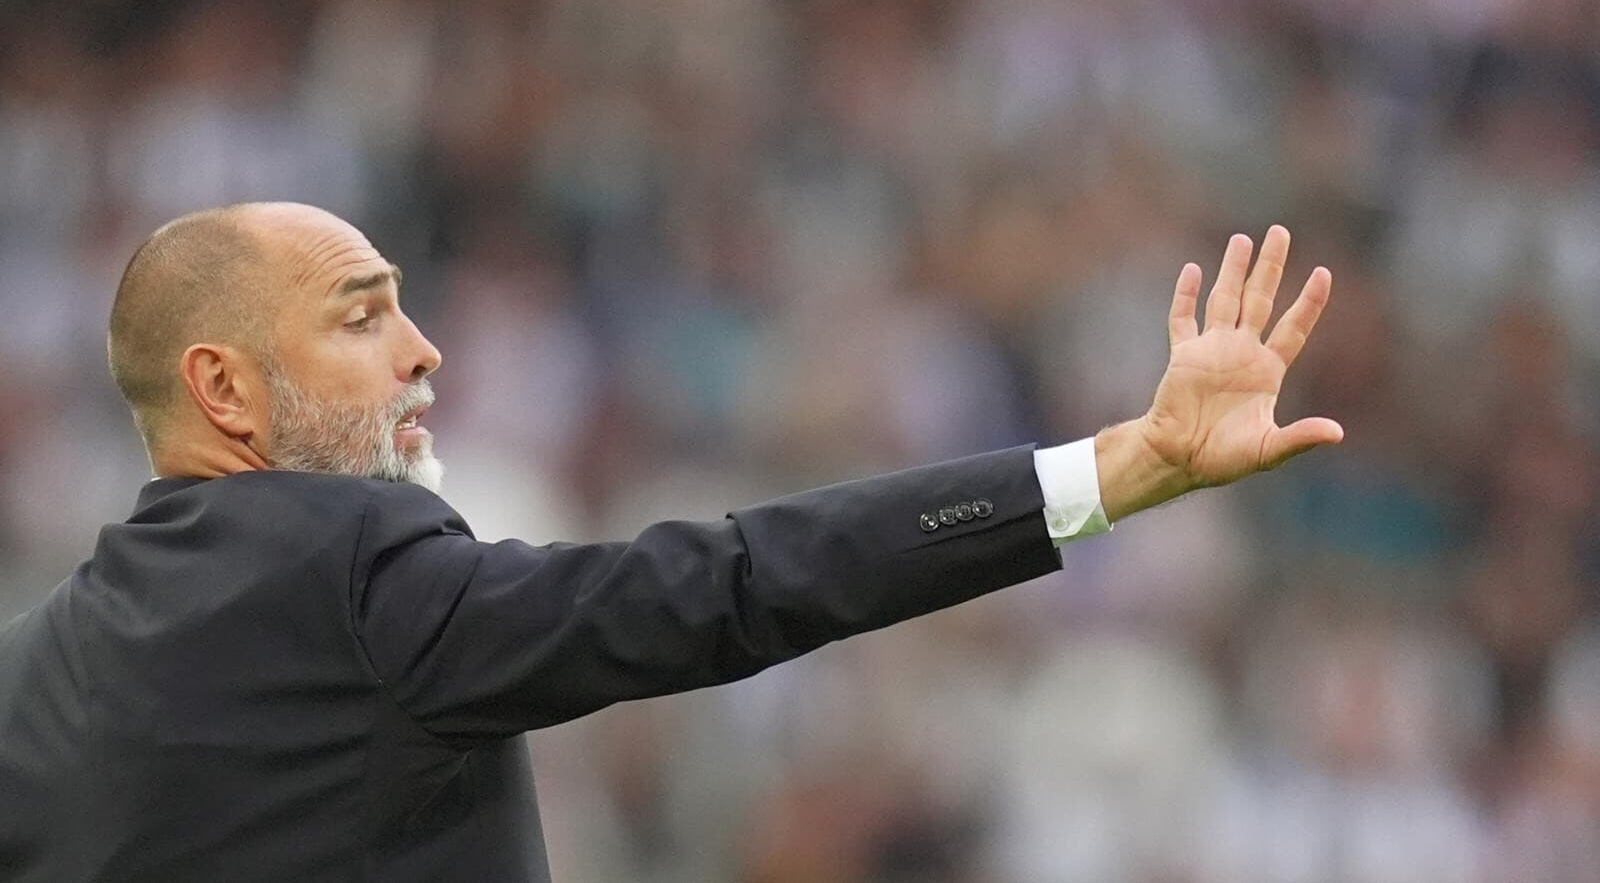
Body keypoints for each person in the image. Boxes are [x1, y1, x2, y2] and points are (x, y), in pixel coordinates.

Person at [0, 203, 1341, 883]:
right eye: (362, 318)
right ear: (224, 388)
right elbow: (731, 583)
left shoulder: (29, 676)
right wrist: (1118, 468)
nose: (423, 350)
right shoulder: (356, 571)